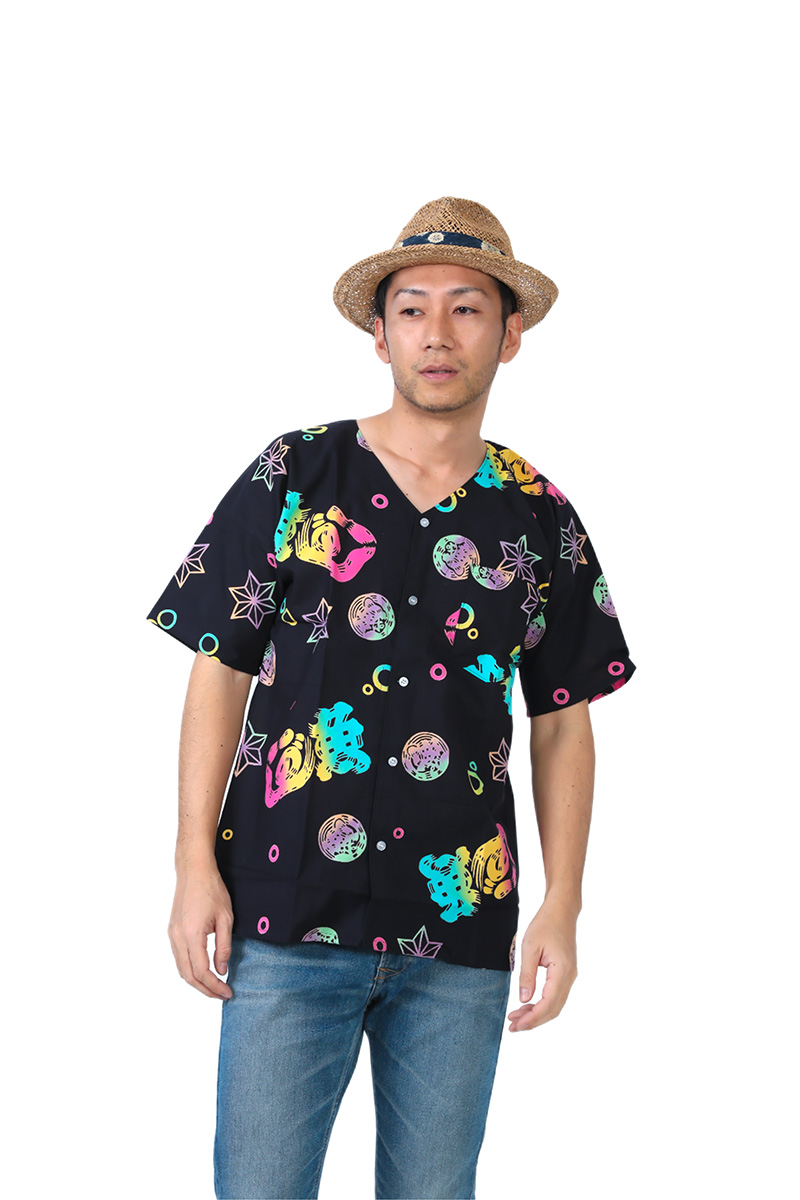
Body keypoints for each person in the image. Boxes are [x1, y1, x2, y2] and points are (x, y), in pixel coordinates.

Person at [145, 195, 636, 1199]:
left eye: (467, 308)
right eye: (412, 309)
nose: (437, 332)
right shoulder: (295, 473)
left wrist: (563, 902)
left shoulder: (538, 517)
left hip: (460, 925)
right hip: (286, 913)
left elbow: (562, 720)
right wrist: (193, 860)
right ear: (380, 335)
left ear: (510, 335)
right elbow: (218, 665)